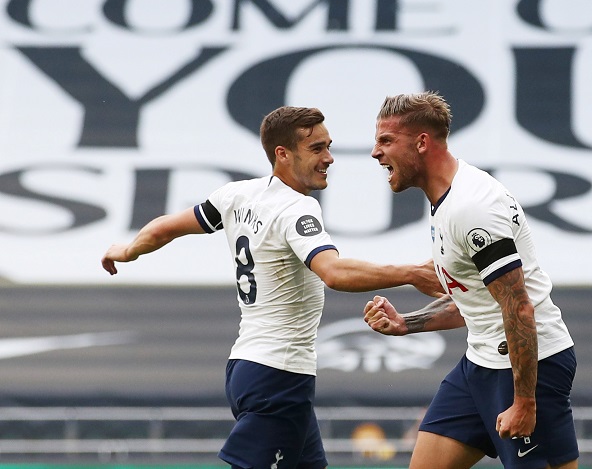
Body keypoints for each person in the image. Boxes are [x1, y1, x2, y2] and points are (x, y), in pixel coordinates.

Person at [101, 106, 441, 469]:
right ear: (283, 154)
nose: (328, 158)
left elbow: (163, 228)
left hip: (250, 367)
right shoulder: (297, 210)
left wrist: (127, 250)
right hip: (278, 375)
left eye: (328, 146)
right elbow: (334, 272)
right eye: (316, 149)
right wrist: (411, 273)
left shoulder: (237, 195)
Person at [364, 91, 579, 469]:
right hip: (478, 364)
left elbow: (518, 306)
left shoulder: (472, 208)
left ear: (422, 142)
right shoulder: (446, 201)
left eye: (386, 140)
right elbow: (476, 302)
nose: (375, 152)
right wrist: (406, 323)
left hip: (529, 371)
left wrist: (525, 401)